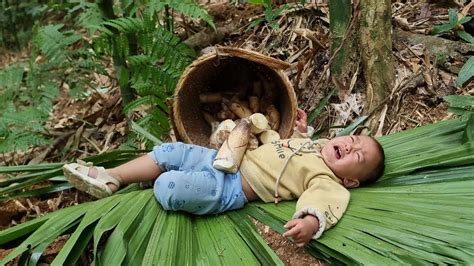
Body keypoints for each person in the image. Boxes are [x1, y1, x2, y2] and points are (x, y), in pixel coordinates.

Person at [63, 109, 385, 246]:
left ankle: (156, 180)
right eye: (353, 140)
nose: (350, 145)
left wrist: (310, 223)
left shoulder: (328, 181)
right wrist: (301, 131)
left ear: (351, 182)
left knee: (169, 187)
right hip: (224, 157)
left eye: (358, 156)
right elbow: (280, 146)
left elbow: (322, 203)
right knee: (169, 151)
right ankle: (112, 177)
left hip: (230, 186)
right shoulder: (313, 147)